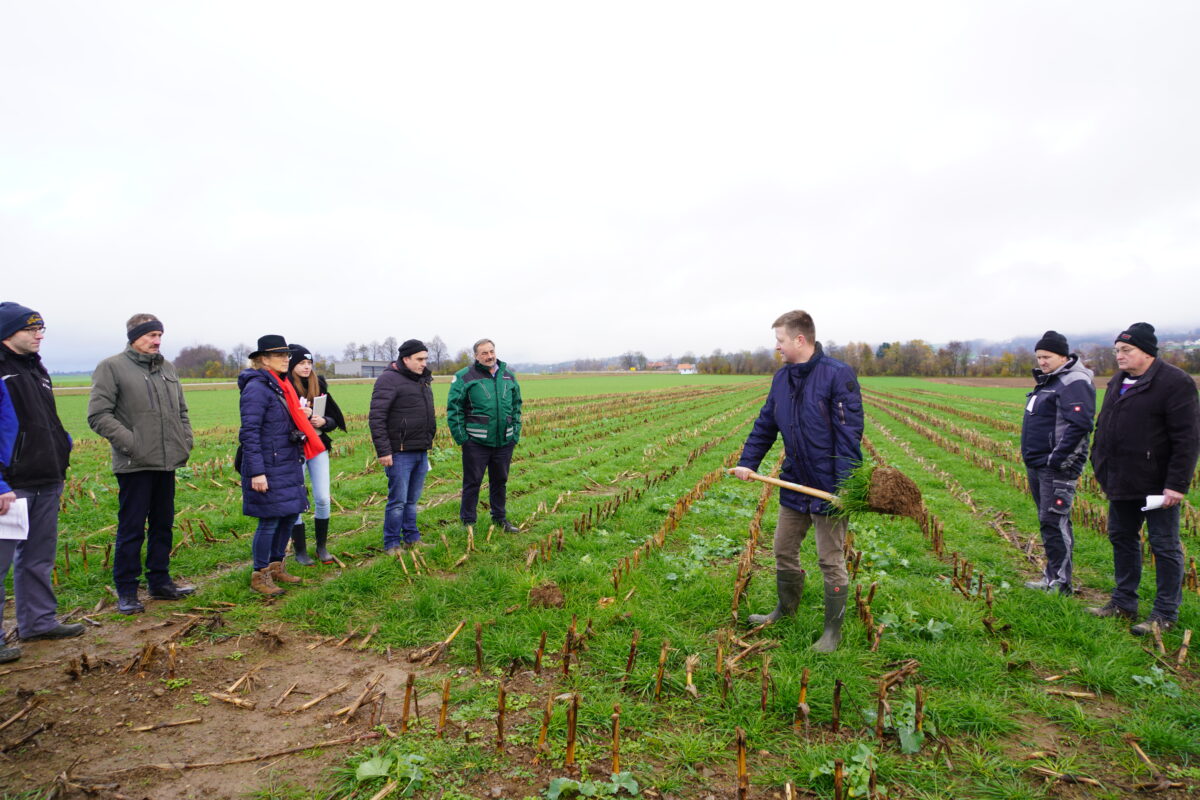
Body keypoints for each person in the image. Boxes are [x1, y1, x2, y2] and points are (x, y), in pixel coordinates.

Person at [732, 309, 864, 652]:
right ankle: (785, 610)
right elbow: (765, 425)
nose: (777, 347)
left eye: (780, 341)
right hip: (795, 482)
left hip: (828, 487)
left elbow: (849, 435)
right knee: (783, 549)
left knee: (830, 560)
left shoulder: (838, 375)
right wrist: (748, 463)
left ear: (800, 340)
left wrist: (845, 488)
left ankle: (832, 634)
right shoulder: (781, 379)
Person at [1088, 322, 1200, 634]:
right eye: (1117, 351)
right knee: (1121, 538)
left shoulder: (1175, 383)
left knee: (1163, 546)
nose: (1119, 356)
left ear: (1147, 353)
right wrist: (1099, 461)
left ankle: (1164, 614)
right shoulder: (1117, 382)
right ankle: (1123, 603)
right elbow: (1104, 425)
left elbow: (1187, 439)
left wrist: (1176, 484)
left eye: (1126, 350)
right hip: (1121, 480)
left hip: (1157, 485)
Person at [87, 314, 196, 614]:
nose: (157, 341)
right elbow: (98, 415)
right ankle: (126, 590)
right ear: (134, 337)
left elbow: (182, 411)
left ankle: (160, 582)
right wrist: (132, 444)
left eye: (160, 335)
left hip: (167, 461)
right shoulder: (112, 367)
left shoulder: (168, 369)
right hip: (134, 464)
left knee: (163, 524)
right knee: (132, 528)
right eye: (150, 335)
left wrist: (185, 439)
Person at [0, 303, 84, 663]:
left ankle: (38, 622)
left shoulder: (37, 370)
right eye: (31, 329)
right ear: (8, 331)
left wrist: (62, 446)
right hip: (12, 484)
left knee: (38, 557)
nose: (39, 335)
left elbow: (46, 418)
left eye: (41, 328)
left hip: (47, 477)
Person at [238, 335, 322, 596]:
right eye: (279, 355)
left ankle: (276, 566)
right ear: (263, 359)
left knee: (287, 516)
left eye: (287, 355)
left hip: (286, 462)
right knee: (270, 520)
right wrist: (257, 472)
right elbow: (249, 432)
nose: (286, 359)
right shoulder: (257, 388)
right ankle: (259, 574)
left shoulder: (279, 385)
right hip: (269, 465)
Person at [1019, 331, 1095, 596]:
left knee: (1054, 522)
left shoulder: (1073, 381)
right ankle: (1052, 577)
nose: (1042, 361)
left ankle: (1060, 584)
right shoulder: (1050, 380)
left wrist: (1057, 460)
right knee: (1049, 522)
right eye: (1039, 356)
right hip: (1038, 463)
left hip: (1056, 467)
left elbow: (1081, 424)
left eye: (1047, 356)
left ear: (1063, 355)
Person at [447, 338, 522, 533]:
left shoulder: (508, 376)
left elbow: (516, 407)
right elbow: (454, 410)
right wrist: (463, 439)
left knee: (500, 481)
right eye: (484, 353)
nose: (489, 356)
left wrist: (515, 434)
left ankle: (500, 519)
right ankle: (468, 523)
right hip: (476, 443)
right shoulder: (464, 377)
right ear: (476, 356)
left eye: (491, 351)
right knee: (472, 483)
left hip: (504, 442)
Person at [369, 340, 436, 554]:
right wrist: (384, 451)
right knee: (397, 501)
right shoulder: (388, 380)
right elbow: (377, 418)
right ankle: (391, 543)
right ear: (405, 359)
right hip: (399, 452)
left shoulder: (423, 380)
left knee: (412, 500)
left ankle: (412, 538)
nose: (423, 363)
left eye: (425, 359)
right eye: (419, 359)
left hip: (420, 449)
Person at [285, 344, 346, 565]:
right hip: (295, 448)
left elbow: (333, 417)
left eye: (309, 363)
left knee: (322, 497)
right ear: (292, 364)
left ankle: (321, 546)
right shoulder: (285, 387)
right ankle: (300, 551)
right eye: (301, 363)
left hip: (318, 445)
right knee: (297, 499)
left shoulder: (318, 385)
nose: (306, 367)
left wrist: (323, 421)